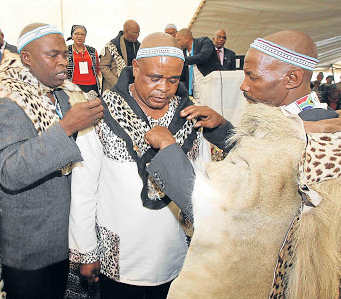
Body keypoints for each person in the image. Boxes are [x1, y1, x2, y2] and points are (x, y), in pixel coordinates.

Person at [167, 30, 341, 299]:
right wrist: (223, 129)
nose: (243, 86)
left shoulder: (283, 142)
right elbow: (271, 176)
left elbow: (210, 202)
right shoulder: (325, 124)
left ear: (292, 78)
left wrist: (167, 150)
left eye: (252, 76)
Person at [69, 32, 232, 299]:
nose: (164, 88)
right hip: (119, 257)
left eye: (173, 79)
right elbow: (84, 189)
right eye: (154, 77)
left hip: (175, 253)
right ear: (135, 69)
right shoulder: (99, 113)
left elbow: (199, 183)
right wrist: (86, 251)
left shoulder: (190, 115)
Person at [0, 23, 103, 299]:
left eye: (65, 54)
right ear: (26, 58)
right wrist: (66, 128)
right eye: (54, 55)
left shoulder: (66, 94)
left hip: (63, 235)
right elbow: (9, 171)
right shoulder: (8, 102)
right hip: (29, 244)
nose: (64, 61)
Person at [175, 28, 222, 98]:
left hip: (211, 86)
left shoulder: (204, 41)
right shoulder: (182, 52)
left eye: (178, 40)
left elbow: (204, 56)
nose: (177, 43)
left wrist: (182, 60)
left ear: (187, 39)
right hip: (194, 89)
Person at [99, 20, 141, 91]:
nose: (137, 35)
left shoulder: (139, 46)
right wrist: (117, 83)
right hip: (113, 88)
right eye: (135, 33)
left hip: (132, 87)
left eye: (138, 32)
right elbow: (103, 66)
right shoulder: (111, 46)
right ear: (126, 32)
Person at [66, 25, 100, 93]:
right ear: (72, 37)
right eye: (76, 34)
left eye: (82, 34)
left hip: (92, 85)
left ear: (85, 37)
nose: (79, 36)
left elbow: (97, 68)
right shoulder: (66, 50)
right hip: (73, 85)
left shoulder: (92, 51)